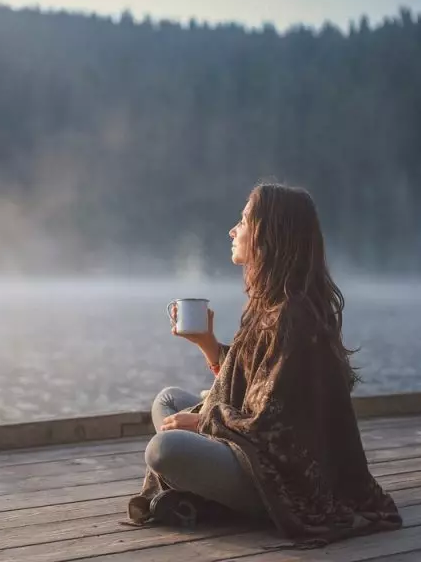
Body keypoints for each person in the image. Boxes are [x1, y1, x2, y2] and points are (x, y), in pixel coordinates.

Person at [127, 182, 402, 545]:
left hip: (283, 479)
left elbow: (276, 426)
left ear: (267, 234)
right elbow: (254, 383)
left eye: (243, 220)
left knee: (164, 450)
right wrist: (207, 344)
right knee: (168, 401)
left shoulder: (294, 316)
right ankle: (208, 483)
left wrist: (203, 421)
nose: (233, 229)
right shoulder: (271, 303)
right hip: (254, 446)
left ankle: (234, 500)